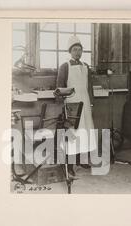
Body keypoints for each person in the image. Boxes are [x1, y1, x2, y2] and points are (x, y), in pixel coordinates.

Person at [56, 35, 96, 176]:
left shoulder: (86, 67)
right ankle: (70, 164)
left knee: (85, 132)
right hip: (72, 104)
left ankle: (83, 159)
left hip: (85, 103)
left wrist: (91, 102)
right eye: (75, 49)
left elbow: (89, 86)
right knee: (73, 133)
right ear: (70, 51)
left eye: (80, 49)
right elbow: (59, 88)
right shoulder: (64, 66)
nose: (78, 52)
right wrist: (63, 105)